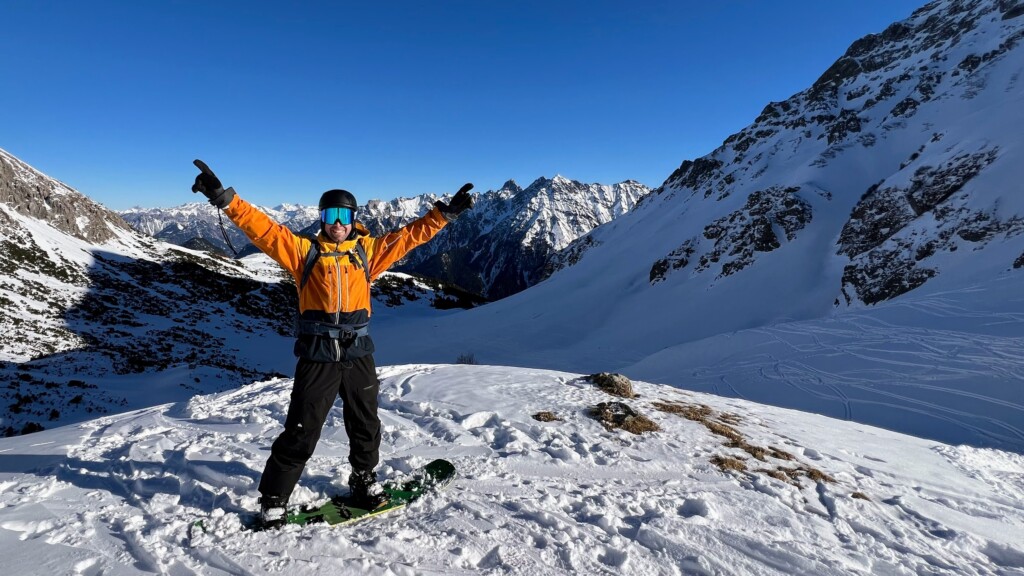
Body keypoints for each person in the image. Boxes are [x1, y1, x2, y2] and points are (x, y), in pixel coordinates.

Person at [190, 159, 473, 528]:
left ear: (354, 218)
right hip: (318, 355)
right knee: (301, 429)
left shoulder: (368, 251)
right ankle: (274, 498)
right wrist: (225, 198)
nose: (338, 222)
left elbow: (408, 237)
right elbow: (263, 229)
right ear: (321, 217)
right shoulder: (303, 252)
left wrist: (443, 215)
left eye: (344, 214)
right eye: (330, 214)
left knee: (366, 423)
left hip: (358, 353)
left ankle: (364, 480)